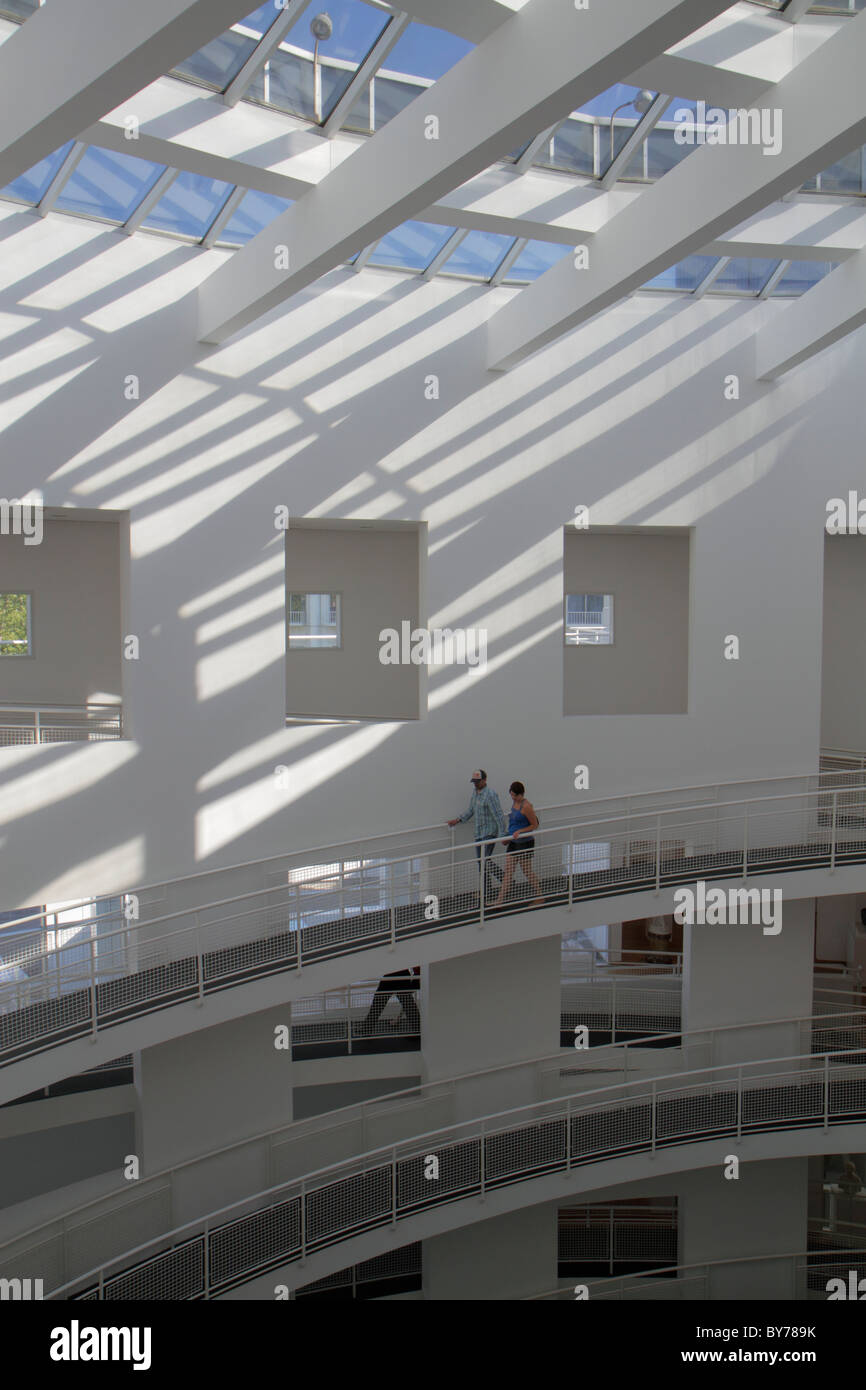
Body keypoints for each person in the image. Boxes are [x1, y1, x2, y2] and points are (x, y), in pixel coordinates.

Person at [447, 768, 506, 893]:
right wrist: (457, 820)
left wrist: (502, 834)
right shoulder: (475, 793)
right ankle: (487, 890)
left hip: (489, 832)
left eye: (477, 782)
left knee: (484, 861)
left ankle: (505, 880)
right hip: (479, 833)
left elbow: (498, 814)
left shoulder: (490, 794)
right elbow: (471, 810)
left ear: (484, 780)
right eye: (474, 782)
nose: (475, 784)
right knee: (482, 863)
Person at [493, 781, 543, 908]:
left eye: (515, 796)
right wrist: (508, 837)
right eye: (512, 796)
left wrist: (521, 831)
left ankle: (540, 895)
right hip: (513, 841)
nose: (513, 798)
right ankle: (499, 901)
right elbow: (513, 822)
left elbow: (534, 825)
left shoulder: (526, 806)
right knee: (509, 870)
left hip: (525, 842)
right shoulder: (515, 803)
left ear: (521, 794)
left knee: (526, 870)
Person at [362, 967, 421, 1033]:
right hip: (400, 976)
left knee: (378, 1002)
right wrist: (417, 976)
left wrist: (417, 975)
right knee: (408, 1004)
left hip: (395, 976)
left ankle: (366, 1029)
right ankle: (418, 1029)